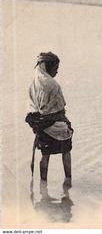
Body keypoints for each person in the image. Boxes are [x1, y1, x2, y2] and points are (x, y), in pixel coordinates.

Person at [25, 52, 73, 187]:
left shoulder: (34, 84)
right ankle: (68, 181)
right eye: (55, 68)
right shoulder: (53, 85)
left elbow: (32, 107)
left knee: (45, 154)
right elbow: (60, 106)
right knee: (66, 152)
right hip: (57, 125)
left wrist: (40, 120)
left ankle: (43, 184)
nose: (57, 71)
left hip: (42, 125)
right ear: (48, 67)